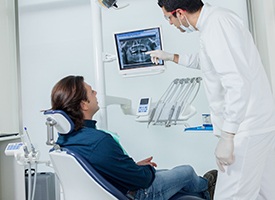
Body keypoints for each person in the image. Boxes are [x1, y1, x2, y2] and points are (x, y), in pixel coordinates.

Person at [146, 0, 275, 199]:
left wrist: (228, 135)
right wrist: (172, 57)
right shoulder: (217, 21)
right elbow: (208, 61)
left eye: (168, 18)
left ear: (180, 13)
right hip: (258, 124)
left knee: (229, 196)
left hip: (245, 128)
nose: (170, 23)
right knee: (266, 193)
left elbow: (237, 82)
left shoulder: (216, 26)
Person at [50, 75, 217, 200]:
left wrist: (133, 166)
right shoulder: (99, 140)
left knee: (167, 173)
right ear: (83, 104)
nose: (95, 93)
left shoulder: (64, 140)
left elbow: (100, 168)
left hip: (117, 187)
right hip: (138, 193)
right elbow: (142, 179)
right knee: (186, 171)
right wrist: (143, 170)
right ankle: (207, 189)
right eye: (91, 91)